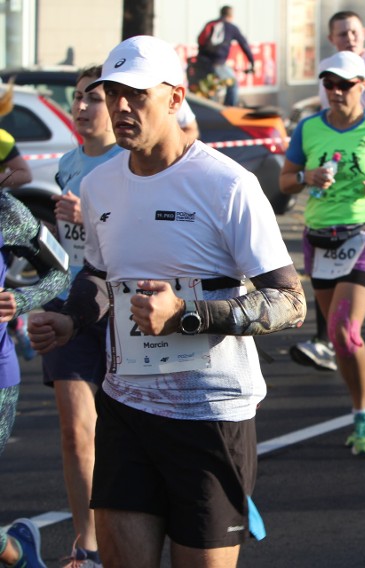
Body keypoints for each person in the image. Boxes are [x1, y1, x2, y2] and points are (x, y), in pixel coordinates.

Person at [27, 35, 306, 567]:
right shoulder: (101, 185)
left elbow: (290, 302)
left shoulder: (226, 184)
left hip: (210, 416)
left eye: (137, 95)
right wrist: (70, 319)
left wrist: (187, 315)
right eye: (113, 95)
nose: (121, 108)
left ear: (176, 98)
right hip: (127, 407)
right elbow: (100, 274)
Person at [279, 50, 365, 455]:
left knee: (343, 328)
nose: (335, 91)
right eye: (329, 84)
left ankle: (363, 413)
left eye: (344, 84)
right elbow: (285, 181)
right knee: (341, 341)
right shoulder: (307, 129)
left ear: (362, 86)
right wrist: (306, 176)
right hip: (320, 237)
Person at [38, 65, 123, 568]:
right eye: (76, 98)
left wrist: (86, 217)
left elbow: (131, 243)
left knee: (131, 428)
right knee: (75, 431)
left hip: (121, 307)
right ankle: (87, 545)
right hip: (71, 306)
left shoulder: (130, 164)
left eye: (93, 98)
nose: (82, 107)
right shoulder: (68, 164)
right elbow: (69, 251)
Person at [294, 10, 365, 372]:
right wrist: (306, 175)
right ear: (333, 39)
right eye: (342, 34)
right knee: (364, 272)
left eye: (355, 32)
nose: (336, 91)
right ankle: (334, 337)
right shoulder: (317, 108)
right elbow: (290, 172)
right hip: (325, 216)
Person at [0, 113, 70, 568]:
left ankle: (18, 552)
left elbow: (59, 269)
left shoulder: (8, 212)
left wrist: (20, 300)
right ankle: (16, 552)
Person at [196, 5, 255, 106]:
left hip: (201, 61)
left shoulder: (211, 24)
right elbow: (244, 45)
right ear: (231, 15)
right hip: (217, 63)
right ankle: (228, 110)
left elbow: (200, 40)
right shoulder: (231, 27)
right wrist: (252, 62)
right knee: (233, 83)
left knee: (209, 89)